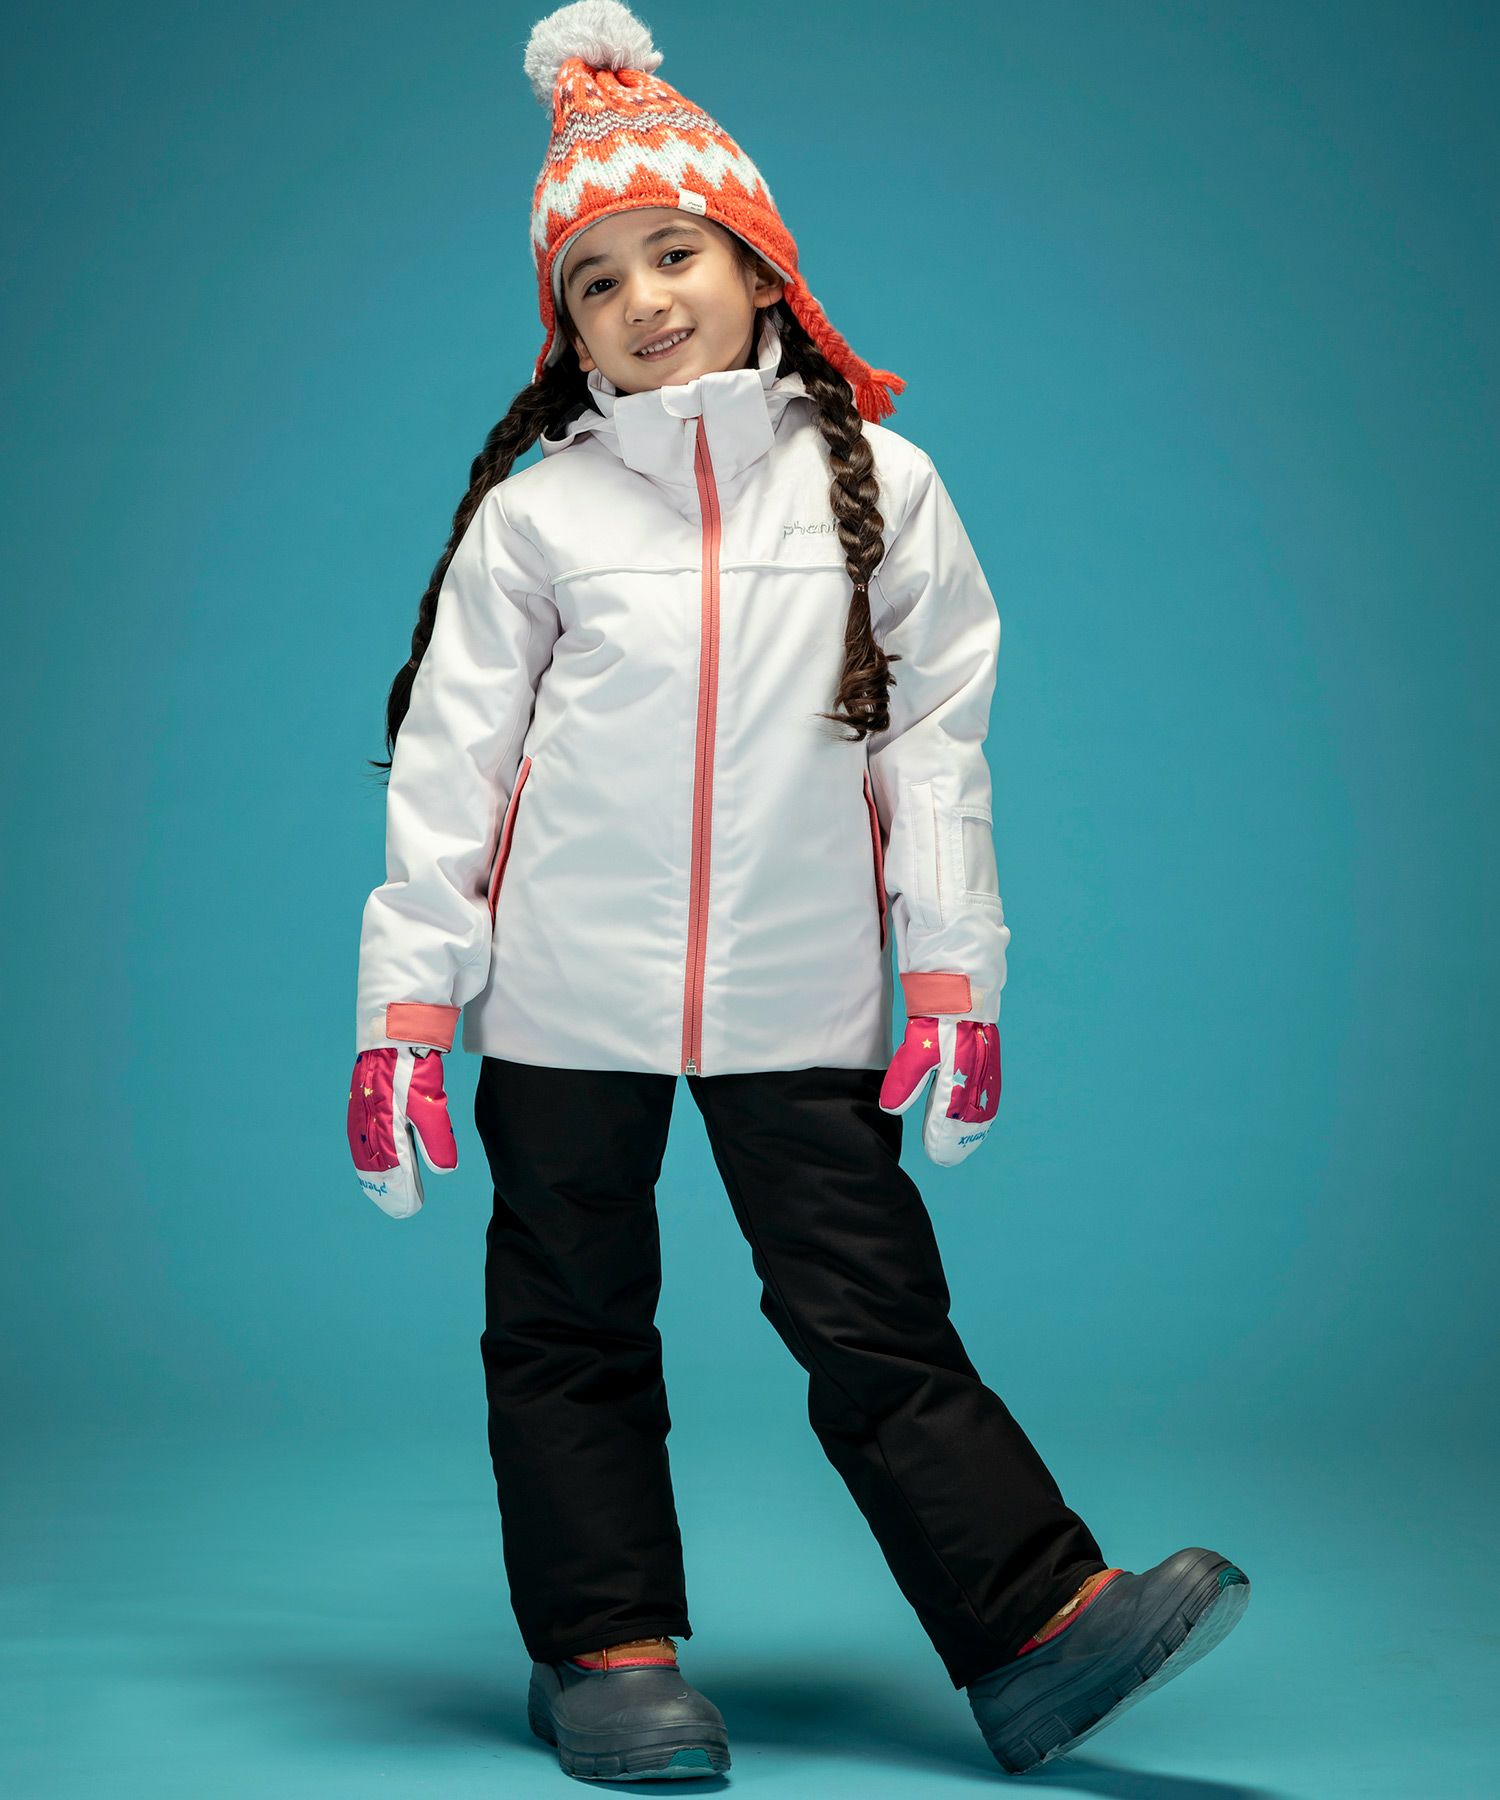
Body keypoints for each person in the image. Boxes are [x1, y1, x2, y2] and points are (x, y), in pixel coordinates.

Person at [345, 1, 1250, 1781]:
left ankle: (1038, 1631)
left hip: (802, 990)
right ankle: (606, 1652)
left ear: (762, 267)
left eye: (674, 251)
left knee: (874, 1315)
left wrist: (955, 978)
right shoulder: (539, 520)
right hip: (562, 1003)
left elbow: (936, 755)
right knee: (568, 1326)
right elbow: (452, 773)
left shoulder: (884, 490)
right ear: (565, 328)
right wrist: (407, 1008)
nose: (641, 298)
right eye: (594, 279)